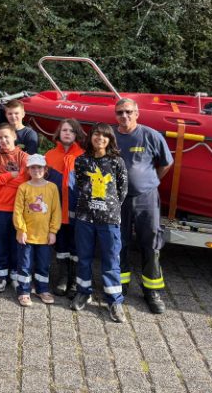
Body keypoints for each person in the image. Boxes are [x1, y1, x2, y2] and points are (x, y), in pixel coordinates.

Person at [114, 98, 174, 314]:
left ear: (137, 113)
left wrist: (150, 181)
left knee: (151, 242)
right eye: (120, 112)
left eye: (128, 112)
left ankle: (152, 290)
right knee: (119, 241)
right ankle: (120, 284)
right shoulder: (110, 137)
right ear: (115, 115)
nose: (124, 116)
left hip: (146, 198)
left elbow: (166, 163)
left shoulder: (150, 135)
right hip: (118, 200)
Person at [71, 122, 128, 323]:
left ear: (110, 140)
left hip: (109, 219)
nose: (100, 139)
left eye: (104, 136)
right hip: (85, 218)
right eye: (96, 134)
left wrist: (108, 207)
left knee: (111, 260)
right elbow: (78, 185)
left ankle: (114, 300)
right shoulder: (81, 161)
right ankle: (83, 292)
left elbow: (122, 190)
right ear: (91, 137)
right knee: (83, 257)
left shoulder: (116, 162)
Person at [14, 154, 61, 306]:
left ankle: (42, 289)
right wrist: (21, 230)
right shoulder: (24, 188)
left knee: (43, 264)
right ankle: (24, 291)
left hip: (45, 236)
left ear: (45, 169)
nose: (36, 170)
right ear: (28, 170)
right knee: (25, 264)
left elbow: (56, 211)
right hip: (26, 236)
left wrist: (53, 231)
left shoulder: (52, 188)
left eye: (39, 167)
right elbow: (18, 210)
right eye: (33, 167)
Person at [0, 123, 29, 292]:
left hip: (18, 209)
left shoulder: (24, 157)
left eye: (6, 137)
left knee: (17, 243)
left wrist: (1, 179)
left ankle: (15, 274)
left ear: (14, 137)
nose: (3, 140)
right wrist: (10, 175)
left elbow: (25, 180)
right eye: (0, 137)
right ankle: (0, 275)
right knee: (0, 242)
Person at [45, 118, 85, 297]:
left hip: (77, 211)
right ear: (58, 133)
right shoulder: (50, 155)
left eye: (71, 130)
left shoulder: (83, 156)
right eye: (64, 130)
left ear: (77, 134)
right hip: (57, 211)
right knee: (61, 245)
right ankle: (62, 277)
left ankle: (75, 280)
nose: (67, 133)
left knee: (76, 245)